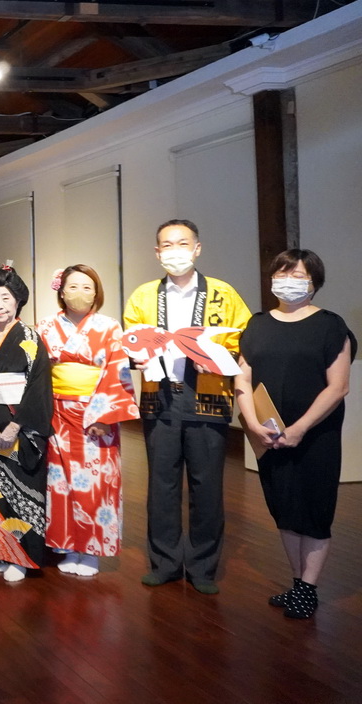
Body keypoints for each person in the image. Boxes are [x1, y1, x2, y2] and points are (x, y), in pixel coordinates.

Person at [123, 219, 250, 595]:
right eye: (167, 245)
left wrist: (218, 357)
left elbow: (244, 340)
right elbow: (130, 342)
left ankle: (203, 567)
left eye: (182, 243)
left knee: (206, 485)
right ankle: (163, 563)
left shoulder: (224, 294)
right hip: (159, 398)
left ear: (197, 248)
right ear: (157, 252)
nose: (174, 251)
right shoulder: (144, 296)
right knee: (161, 485)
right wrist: (138, 357)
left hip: (208, 397)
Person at [236, 249, 355, 619]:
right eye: (282, 273)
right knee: (283, 508)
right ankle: (298, 583)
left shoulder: (330, 326)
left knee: (315, 510)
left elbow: (338, 387)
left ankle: (309, 588)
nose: (288, 280)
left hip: (316, 435)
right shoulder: (257, 324)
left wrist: (301, 428)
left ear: (314, 282)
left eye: (298, 275)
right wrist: (252, 423)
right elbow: (242, 379)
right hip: (269, 435)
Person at [38, 265, 139, 577]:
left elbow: (117, 371)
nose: (79, 293)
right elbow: (38, 373)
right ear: (61, 291)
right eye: (72, 287)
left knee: (98, 482)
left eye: (87, 287)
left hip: (96, 414)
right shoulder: (45, 326)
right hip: (56, 412)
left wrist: (105, 416)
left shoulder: (109, 327)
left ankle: (92, 550)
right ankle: (67, 546)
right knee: (59, 482)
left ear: (96, 293)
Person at [0, 265, 52, 582]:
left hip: (21, 428)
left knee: (24, 491)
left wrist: (16, 425)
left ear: (18, 300)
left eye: (5, 298)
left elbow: (38, 387)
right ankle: (2, 551)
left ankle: (23, 557)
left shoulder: (31, 338)